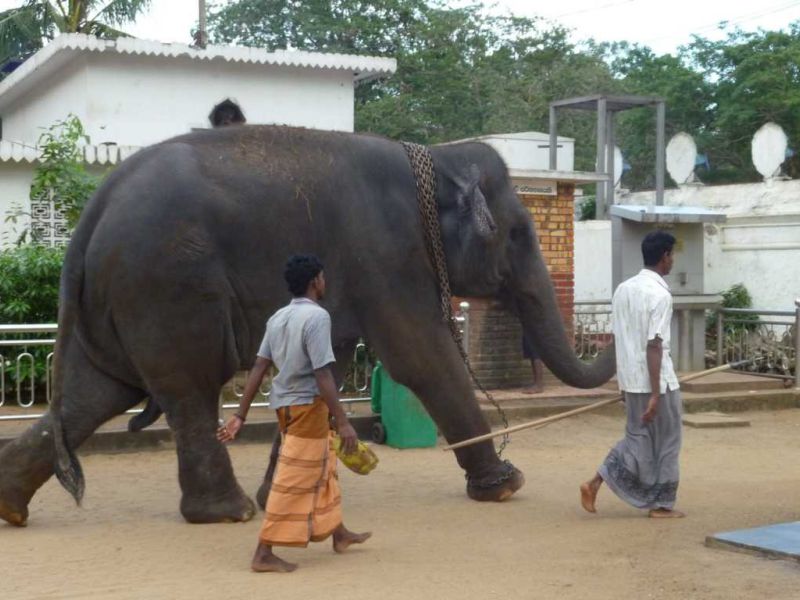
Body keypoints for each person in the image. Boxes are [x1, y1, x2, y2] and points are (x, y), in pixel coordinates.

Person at [218, 255, 371, 572]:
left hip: (285, 406)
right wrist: (344, 422)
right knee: (293, 478)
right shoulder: (317, 318)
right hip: (307, 407)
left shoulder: (277, 318)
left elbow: (260, 366)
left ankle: (338, 533)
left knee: (325, 464)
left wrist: (240, 415)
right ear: (315, 281)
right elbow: (323, 373)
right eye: (323, 278)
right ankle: (263, 552)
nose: (324, 283)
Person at [580, 230, 684, 518]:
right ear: (665, 256)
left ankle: (595, 482)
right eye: (672, 254)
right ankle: (662, 505)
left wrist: (625, 384)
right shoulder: (660, 294)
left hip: (632, 380)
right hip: (658, 383)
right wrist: (655, 393)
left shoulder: (623, 289)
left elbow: (622, 339)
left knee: (638, 437)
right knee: (668, 441)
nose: (672, 260)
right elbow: (654, 344)